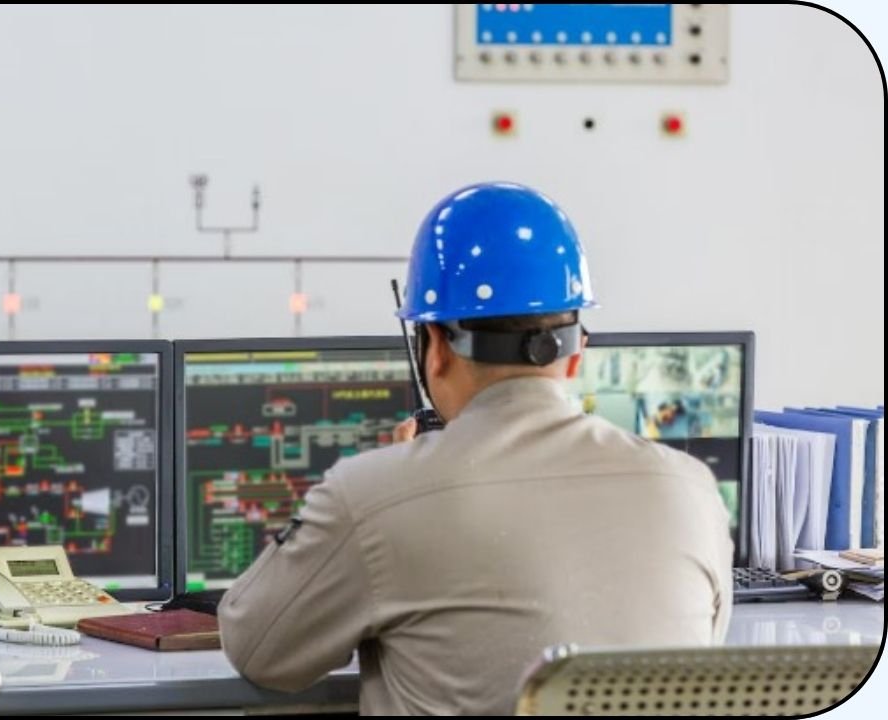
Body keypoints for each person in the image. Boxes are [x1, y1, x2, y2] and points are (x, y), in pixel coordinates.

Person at [219, 182, 734, 715]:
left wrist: (387, 483)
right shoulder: (691, 488)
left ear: (435, 348)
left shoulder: (376, 494)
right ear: (577, 352)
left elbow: (258, 649)